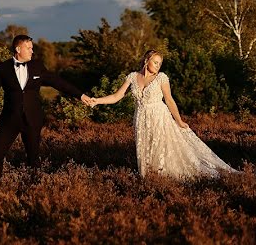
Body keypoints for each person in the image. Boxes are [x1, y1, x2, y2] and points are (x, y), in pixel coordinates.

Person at [90, 49, 238, 179]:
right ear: (146, 61)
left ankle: (163, 177)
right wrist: (97, 101)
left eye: (159, 63)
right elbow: (117, 96)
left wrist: (179, 121)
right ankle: (150, 177)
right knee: (146, 149)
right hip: (141, 119)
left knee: (162, 148)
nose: (157, 66)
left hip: (159, 118)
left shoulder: (161, 78)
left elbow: (169, 100)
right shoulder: (132, 77)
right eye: (155, 62)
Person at [0, 34, 93, 177]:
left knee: (33, 159)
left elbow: (57, 82)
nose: (32, 51)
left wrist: (80, 95)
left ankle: (34, 187)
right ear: (18, 49)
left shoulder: (37, 66)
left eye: (32, 48)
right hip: (9, 120)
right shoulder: (3, 68)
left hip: (32, 120)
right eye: (29, 48)